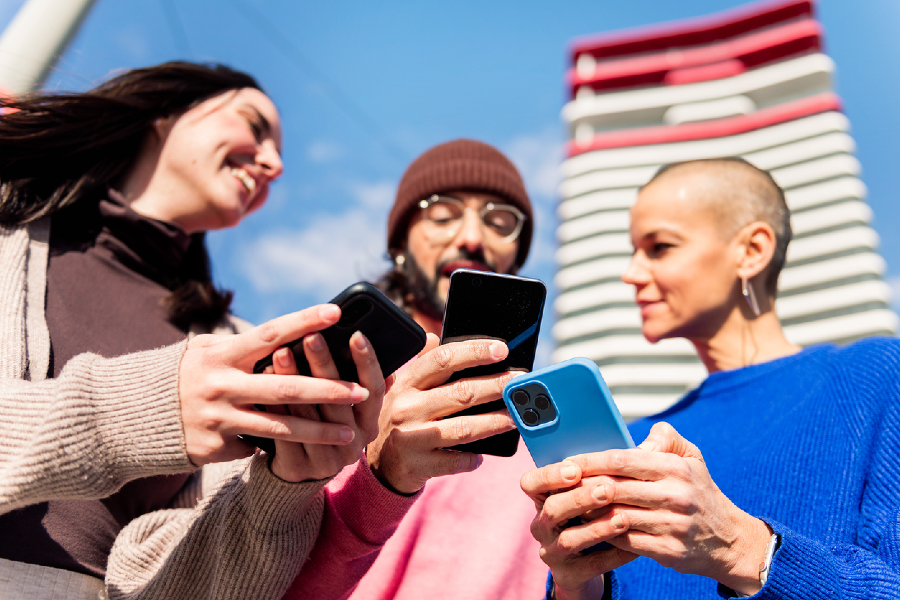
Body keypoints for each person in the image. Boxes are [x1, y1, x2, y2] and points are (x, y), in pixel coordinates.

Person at [0, 62, 387, 600]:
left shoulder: (232, 347)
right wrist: (139, 410)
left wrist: (281, 492)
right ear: (166, 113)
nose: (273, 164)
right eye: (254, 126)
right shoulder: (7, 224)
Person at [520, 157, 900, 599]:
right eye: (633, 250)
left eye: (659, 247)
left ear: (751, 250)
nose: (632, 273)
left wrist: (740, 546)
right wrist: (576, 585)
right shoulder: (641, 442)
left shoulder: (875, 378)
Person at [282, 139, 550, 600]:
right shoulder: (324, 378)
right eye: (442, 213)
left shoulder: (540, 424)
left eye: (500, 221)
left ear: (518, 260)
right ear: (399, 245)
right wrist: (379, 478)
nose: (472, 237)